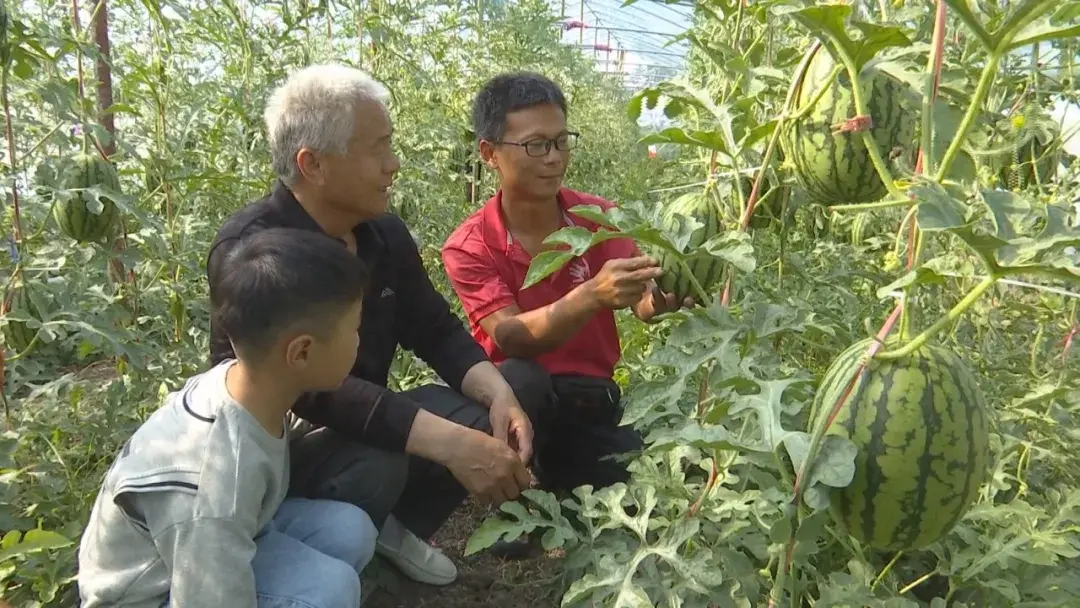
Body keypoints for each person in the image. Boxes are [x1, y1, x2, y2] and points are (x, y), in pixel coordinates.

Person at [205, 64, 551, 586]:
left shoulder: (381, 234)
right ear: (313, 164)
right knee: (381, 459)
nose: (393, 165)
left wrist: (498, 393)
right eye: (377, 149)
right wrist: (451, 443)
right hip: (283, 453)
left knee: (518, 386)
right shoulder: (253, 254)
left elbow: (432, 327)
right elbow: (314, 394)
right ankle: (323, 556)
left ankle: (395, 530)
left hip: (366, 422)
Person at [441, 72, 694, 557]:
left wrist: (661, 300)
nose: (555, 157)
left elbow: (642, 304)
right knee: (521, 378)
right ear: (489, 153)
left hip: (588, 400)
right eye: (536, 145)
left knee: (629, 497)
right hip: (516, 402)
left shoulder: (599, 217)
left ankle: (557, 487)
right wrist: (591, 295)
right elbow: (511, 335)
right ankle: (513, 497)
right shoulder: (470, 245)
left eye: (561, 141)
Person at [78, 227, 380, 607]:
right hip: (156, 592)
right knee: (331, 590)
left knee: (350, 531)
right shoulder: (217, 478)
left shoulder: (249, 389)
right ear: (301, 352)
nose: (359, 339)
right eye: (354, 328)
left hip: (213, 545)